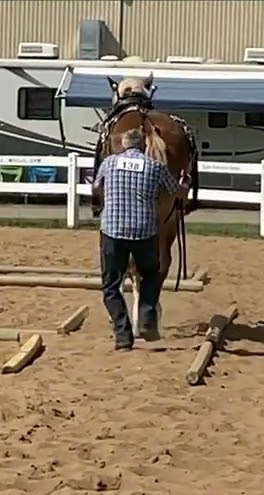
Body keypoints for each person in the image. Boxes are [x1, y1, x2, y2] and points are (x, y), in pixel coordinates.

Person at [92, 128, 187, 351]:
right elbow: (176, 193)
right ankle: (146, 314)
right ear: (144, 146)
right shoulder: (156, 167)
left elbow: (97, 187)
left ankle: (123, 336)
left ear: (124, 145)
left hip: (113, 231)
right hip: (144, 231)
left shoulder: (109, 163)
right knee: (152, 275)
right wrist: (185, 182)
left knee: (111, 286)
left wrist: (99, 204)